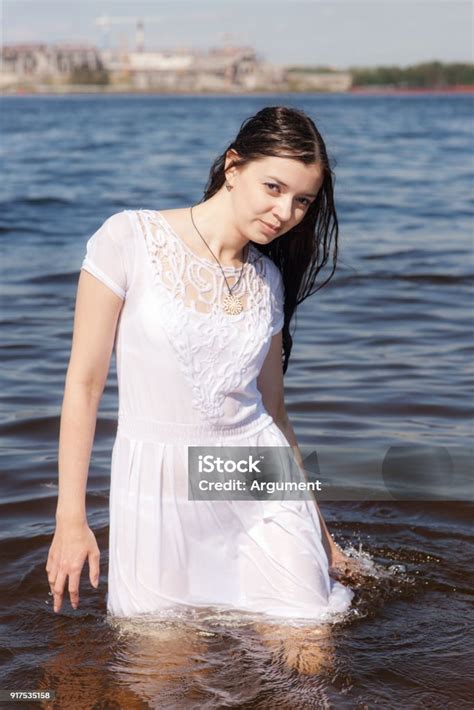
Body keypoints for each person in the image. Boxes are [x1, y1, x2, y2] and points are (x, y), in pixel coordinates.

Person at [46, 105, 356, 626]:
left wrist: (321, 535)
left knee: (308, 650)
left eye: (303, 201)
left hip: (256, 479)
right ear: (233, 168)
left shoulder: (268, 281)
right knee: (166, 679)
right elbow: (84, 384)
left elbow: (274, 410)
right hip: (159, 490)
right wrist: (70, 519)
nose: (286, 213)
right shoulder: (129, 240)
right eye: (274, 188)